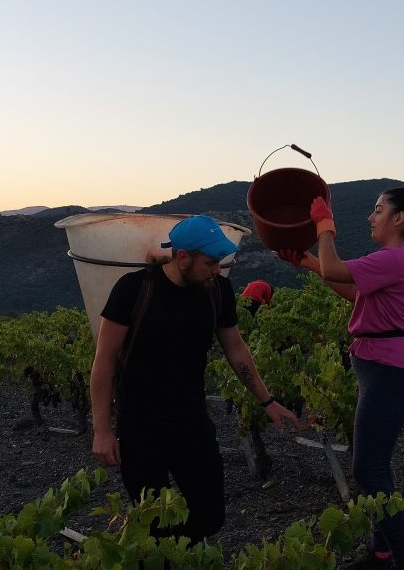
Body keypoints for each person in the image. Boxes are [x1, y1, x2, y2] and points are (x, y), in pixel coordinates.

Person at [89, 214, 299, 544]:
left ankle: (179, 552)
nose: (218, 269)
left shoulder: (219, 291)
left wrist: (267, 400)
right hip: (140, 426)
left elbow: (236, 350)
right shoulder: (134, 289)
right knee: (153, 522)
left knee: (210, 514)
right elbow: (104, 362)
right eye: (211, 262)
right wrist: (102, 430)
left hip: (191, 420)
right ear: (183, 257)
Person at [279, 187, 404, 570]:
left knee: (368, 470)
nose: (371, 217)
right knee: (376, 467)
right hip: (387, 370)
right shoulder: (398, 259)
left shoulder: (397, 257)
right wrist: (305, 262)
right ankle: (381, 554)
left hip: (390, 373)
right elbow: (352, 292)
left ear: (399, 219)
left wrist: (324, 224)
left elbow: (335, 268)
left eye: (378, 210)